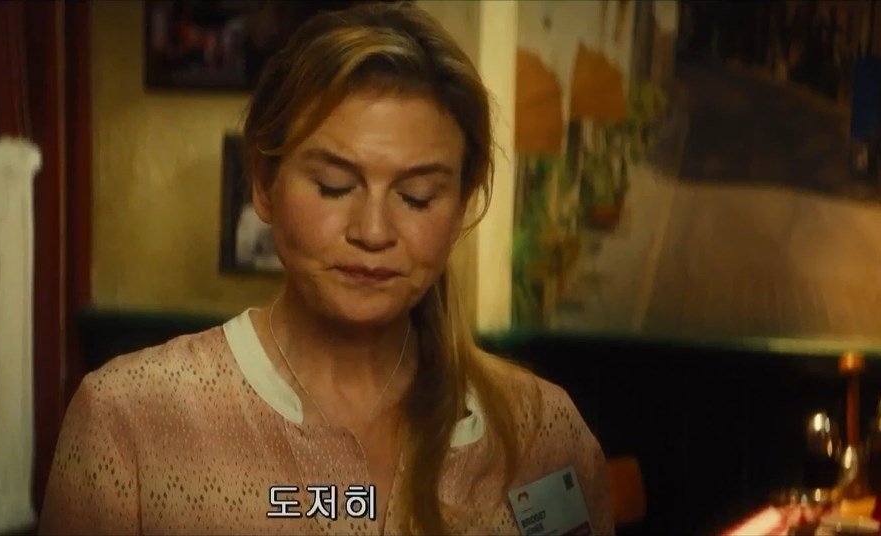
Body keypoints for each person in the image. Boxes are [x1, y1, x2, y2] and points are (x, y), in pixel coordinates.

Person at [39, 3, 612, 534]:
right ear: (264, 183)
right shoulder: (132, 419)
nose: (373, 232)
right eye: (335, 186)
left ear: (461, 205)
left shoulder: (540, 429)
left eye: (416, 197)